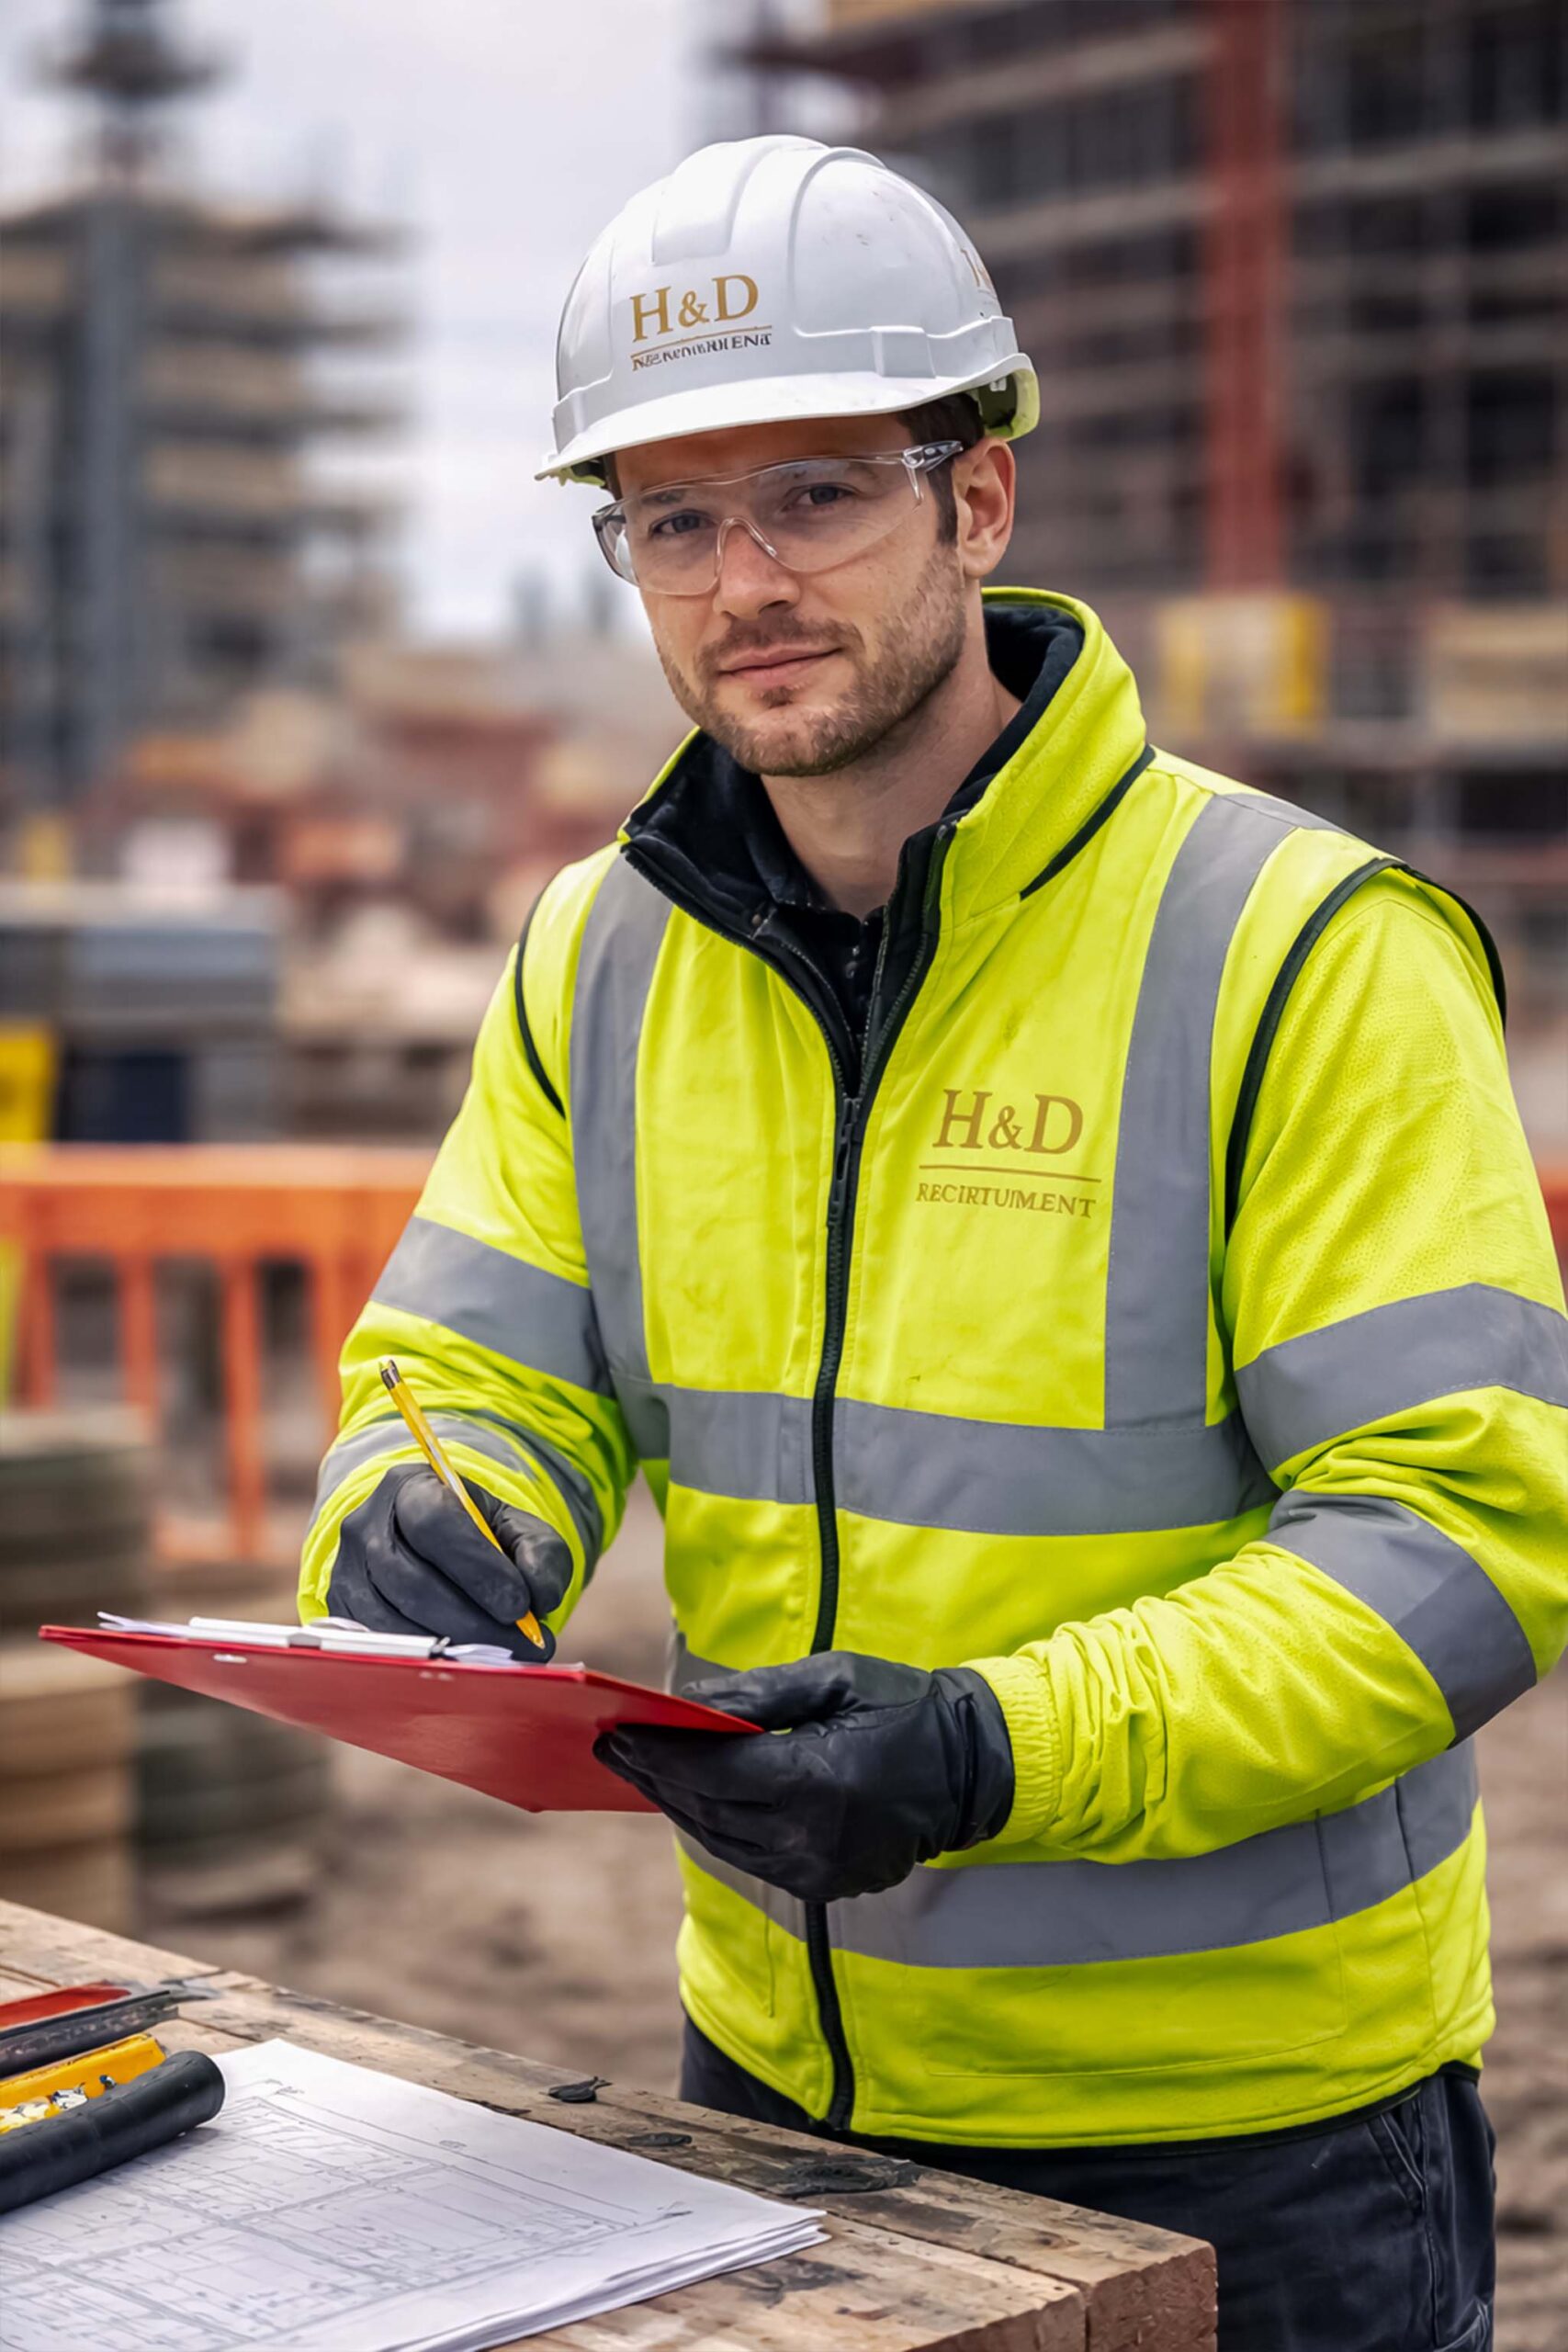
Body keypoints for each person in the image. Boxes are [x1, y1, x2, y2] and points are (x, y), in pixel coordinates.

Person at [301, 135, 1566, 2350]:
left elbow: (1457, 1534)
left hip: (1250, 2139)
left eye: (814, 495)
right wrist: (438, 1503)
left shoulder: (1297, 949)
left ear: (976, 501)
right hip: (773, 2082)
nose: (742, 580)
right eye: (671, 520)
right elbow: (470, 1361)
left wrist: (992, 1747)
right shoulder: (601, 951)